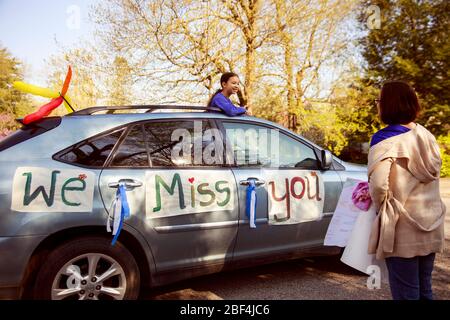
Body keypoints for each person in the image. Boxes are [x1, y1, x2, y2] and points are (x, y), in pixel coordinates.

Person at [367, 80, 446, 300]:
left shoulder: (384, 139)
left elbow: (379, 187)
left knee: (405, 293)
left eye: (379, 101)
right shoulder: (427, 136)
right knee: (425, 289)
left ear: (387, 105)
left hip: (401, 228)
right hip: (431, 223)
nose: (377, 105)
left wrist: (379, 208)